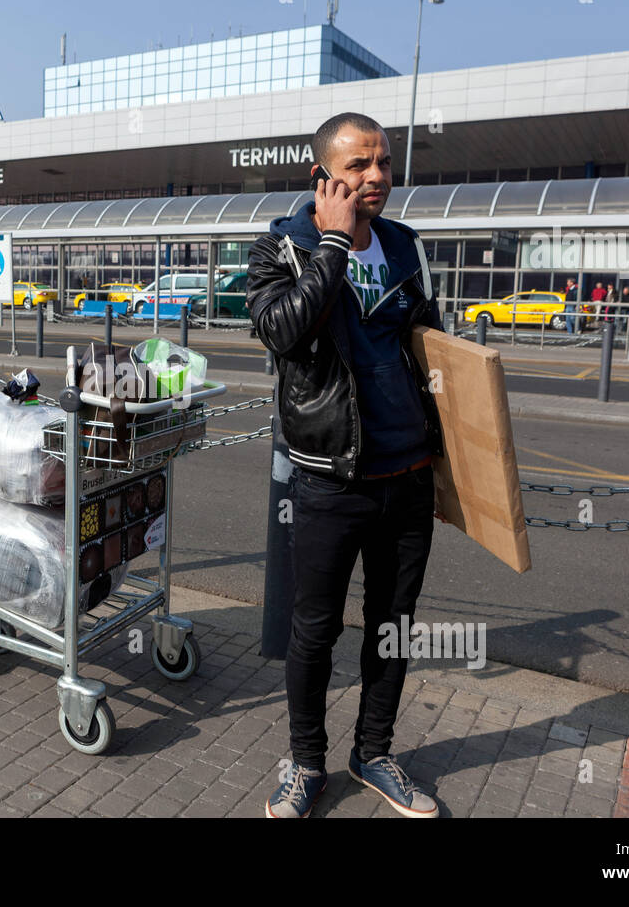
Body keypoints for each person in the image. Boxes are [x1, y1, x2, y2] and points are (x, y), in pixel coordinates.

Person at [248, 111, 444, 819]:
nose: (376, 178)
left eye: (384, 163)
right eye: (359, 165)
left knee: (393, 625)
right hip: (330, 479)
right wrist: (331, 243)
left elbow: (431, 351)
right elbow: (281, 331)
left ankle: (374, 752)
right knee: (316, 630)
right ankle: (305, 764)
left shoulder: (406, 247)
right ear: (322, 177)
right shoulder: (282, 249)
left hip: (408, 477)